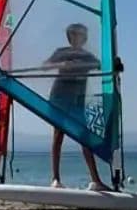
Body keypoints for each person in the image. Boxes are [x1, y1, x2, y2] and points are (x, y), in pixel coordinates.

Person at [43, 22, 118, 191]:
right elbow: (44, 66)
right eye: (77, 34)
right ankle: (55, 179)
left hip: (77, 99)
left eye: (83, 35)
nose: (81, 37)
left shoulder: (88, 57)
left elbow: (103, 66)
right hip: (59, 97)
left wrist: (115, 65)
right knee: (58, 136)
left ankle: (95, 180)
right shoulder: (62, 53)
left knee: (84, 137)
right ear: (70, 37)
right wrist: (60, 65)